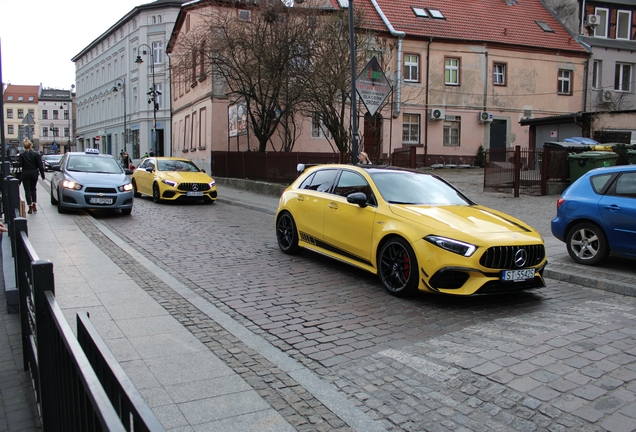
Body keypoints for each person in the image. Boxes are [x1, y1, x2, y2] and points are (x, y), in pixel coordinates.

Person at [19, 139, 45, 214]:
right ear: (31, 146)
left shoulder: (22, 155)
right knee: (33, 189)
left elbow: (20, 165)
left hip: (25, 173)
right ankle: (34, 204)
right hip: (34, 172)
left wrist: (19, 179)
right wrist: (42, 175)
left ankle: (29, 206)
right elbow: (40, 165)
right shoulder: (36, 154)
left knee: (27, 190)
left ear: (24, 146)